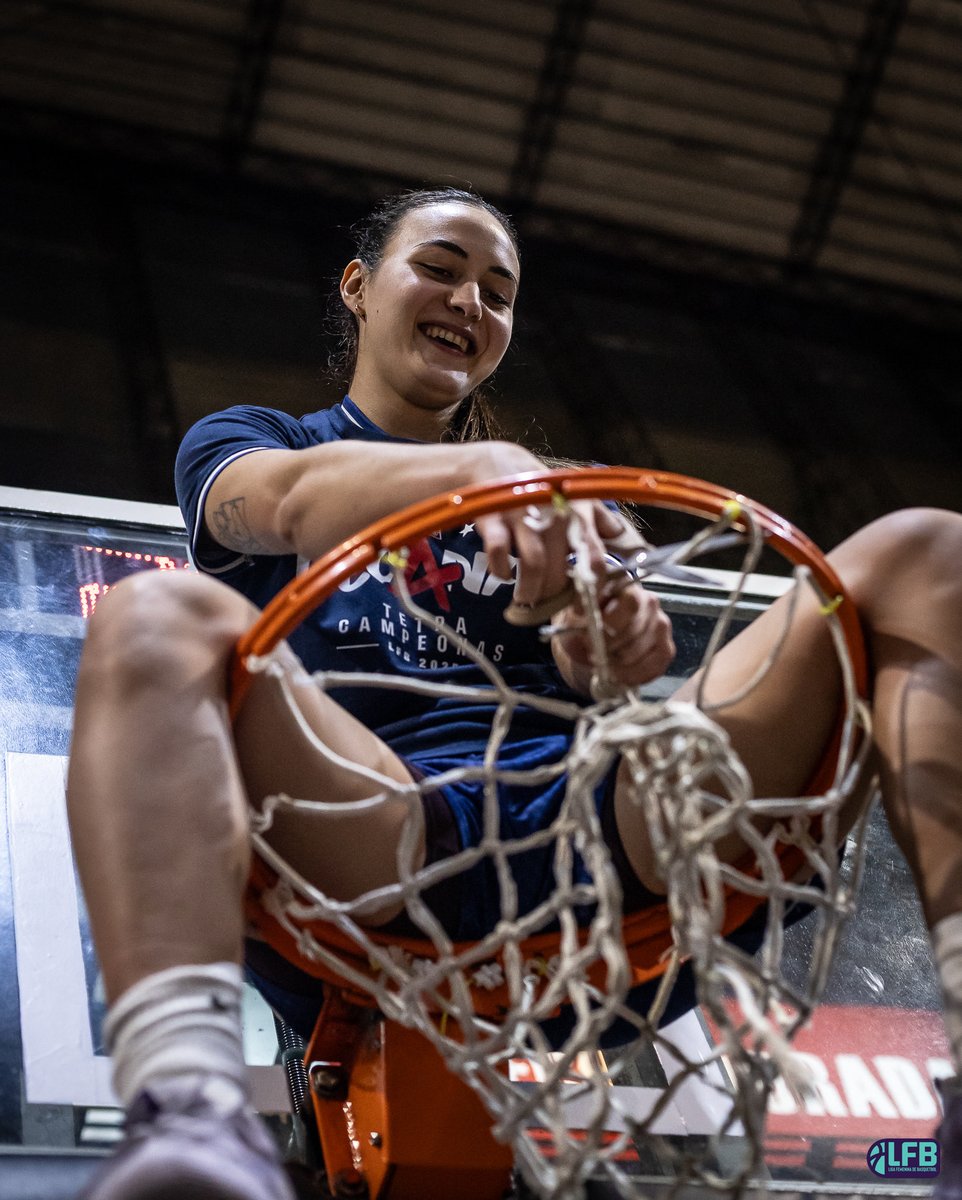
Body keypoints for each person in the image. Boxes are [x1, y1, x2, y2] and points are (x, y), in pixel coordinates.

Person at [66, 186, 962, 1200]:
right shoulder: (253, 438)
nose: (469, 301)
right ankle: (186, 1110)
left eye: (497, 292)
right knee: (152, 616)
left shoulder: (558, 504)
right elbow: (286, 504)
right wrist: (491, 469)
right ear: (358, 287)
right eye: (440, 268)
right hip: (371, 824)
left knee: (927, 551)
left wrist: (615, 642)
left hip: (589, 834)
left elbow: (601, 674)